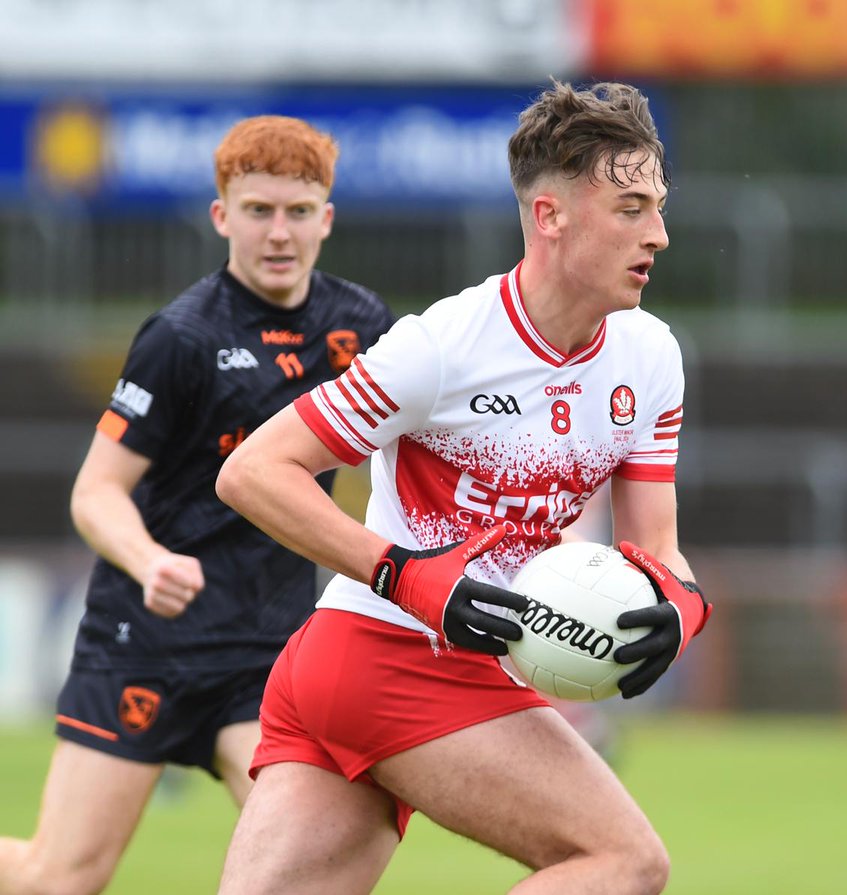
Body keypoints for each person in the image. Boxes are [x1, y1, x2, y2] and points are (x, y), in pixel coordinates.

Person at [213, 80, 712, 895]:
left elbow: (658, 545)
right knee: (624, 860)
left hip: (357, 673)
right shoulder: (442, 348)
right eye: (629, 208)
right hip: (394, 658)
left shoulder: (650, 357)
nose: (657, 233)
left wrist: (681, 607)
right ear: (549, 216)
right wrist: (401, 572)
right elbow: (253, 472)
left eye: (658, 206)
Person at [0, 115, 394, 894]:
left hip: (269, 656)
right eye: (257, 211)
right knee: (59, 878)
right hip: (146, 639)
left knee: (320, 858)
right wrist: (149, 561)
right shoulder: (179, 337)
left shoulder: (363, 326)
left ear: (327, 219)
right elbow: (95, 491)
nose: (278, 232)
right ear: (222, 216)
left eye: (297, 210)